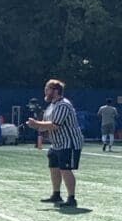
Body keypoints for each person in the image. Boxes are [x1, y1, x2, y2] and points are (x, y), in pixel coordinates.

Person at [27, 79, 84, 209]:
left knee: (65, 169)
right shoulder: (52, 105)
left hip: (68, 142)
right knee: (54, 168)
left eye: (48, 88)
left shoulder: (63, 105)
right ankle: (56, 194)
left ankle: (71, 198)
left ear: (56, 91)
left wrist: (36, 124)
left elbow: (55, 124)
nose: (45, 91)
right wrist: (35, 126)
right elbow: (45, 125)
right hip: (56, 143)